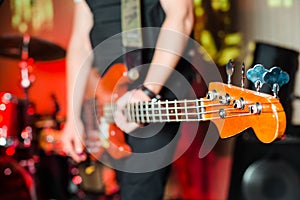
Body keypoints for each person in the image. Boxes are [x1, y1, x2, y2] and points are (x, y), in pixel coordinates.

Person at [62, 0, 195, 199]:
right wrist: (72, 118)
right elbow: (80, 42)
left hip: (155, 95)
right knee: (125, 187)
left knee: (139, 191)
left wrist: (148, 91)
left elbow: (181, 15)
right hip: (111, 98)